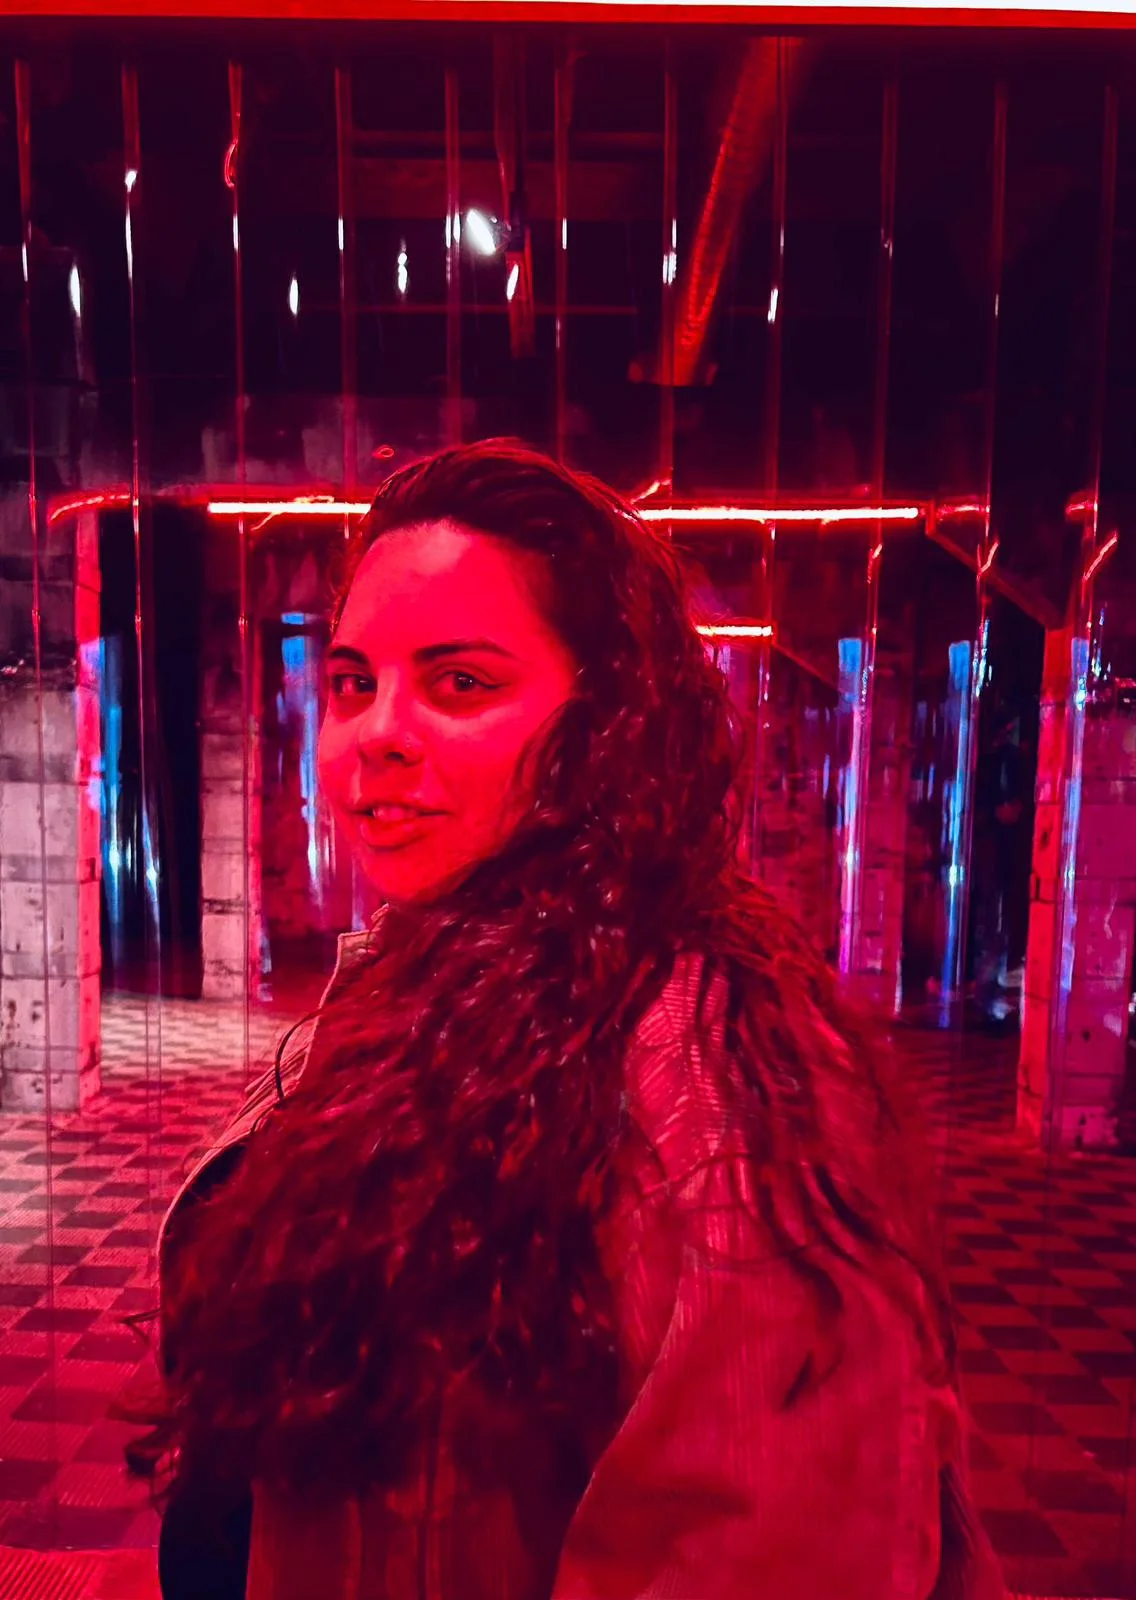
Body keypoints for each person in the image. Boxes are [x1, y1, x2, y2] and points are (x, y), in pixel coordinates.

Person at [142, 440, 1007, 1599]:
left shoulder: (714, 1078)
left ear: (607, 723)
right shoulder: (450, 971)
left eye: (459, 682)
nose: (374, 733)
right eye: (352, 681)